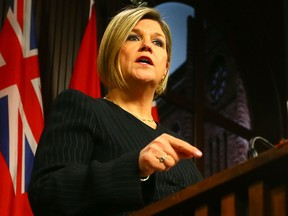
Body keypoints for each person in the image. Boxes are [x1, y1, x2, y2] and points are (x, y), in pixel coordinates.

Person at [28, 5, 203, 216]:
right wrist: (135, 167)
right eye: (133, 37)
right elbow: (47, 192)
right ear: (113, 52)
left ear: (165, 66)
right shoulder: (82, 108)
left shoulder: (179, 149)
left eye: (158, 42)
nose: (147, 45)